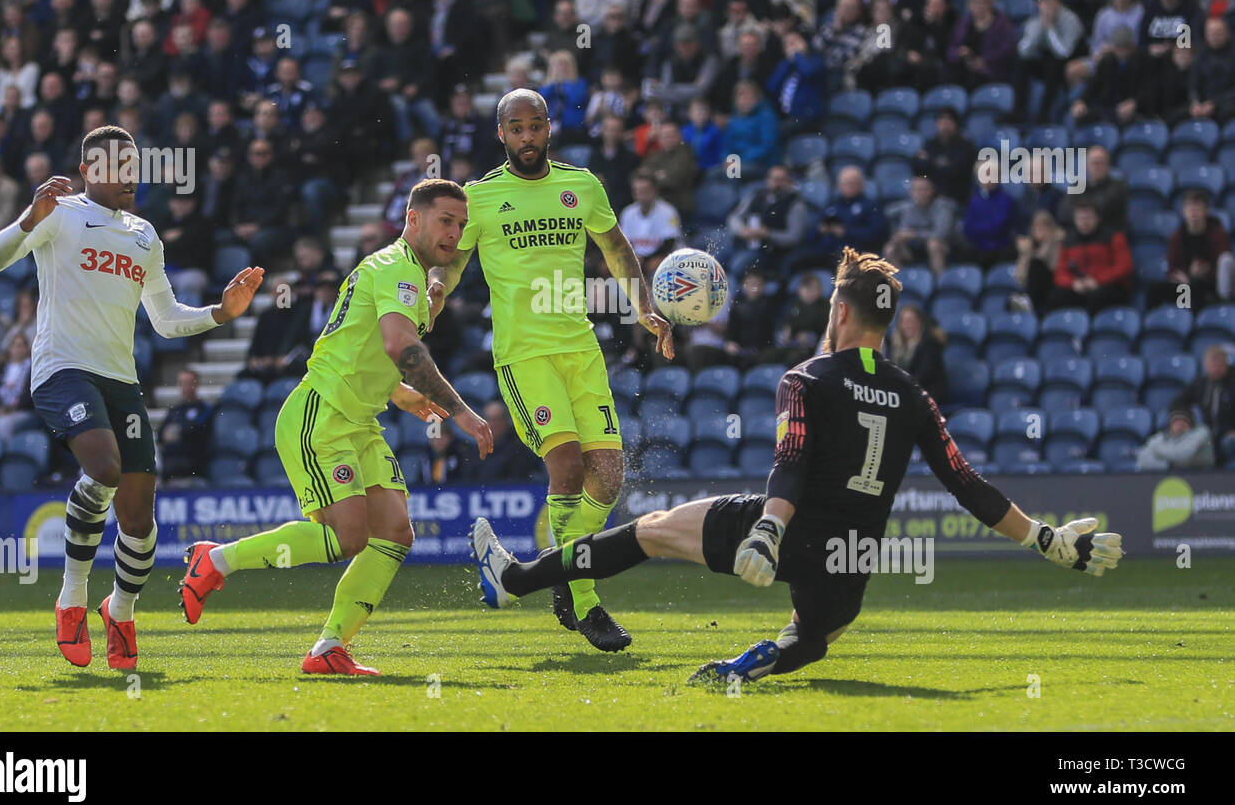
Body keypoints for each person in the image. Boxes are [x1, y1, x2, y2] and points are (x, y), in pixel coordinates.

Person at [473, 247, 1123, 683]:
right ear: (889, 323)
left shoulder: (806, 378)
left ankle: (516, 579)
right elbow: (966, 484)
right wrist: (1046, 537)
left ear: (839, 312)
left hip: (789, 527)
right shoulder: (914, 395)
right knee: (818, 634)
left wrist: (769, 530)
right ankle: (750, 664)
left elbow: (791, 463)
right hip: (852, 556)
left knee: (649, 530)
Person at [0, 125, 264, 671]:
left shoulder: (144, 235)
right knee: (105, 469)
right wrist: (27, 219)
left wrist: (220, 313)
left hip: (119, 379)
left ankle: (122, 612)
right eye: (116, 165)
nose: (129, 174)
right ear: (88, 171)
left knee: (138, 518)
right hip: (62, 370)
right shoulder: (58, 213)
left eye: (134, 164)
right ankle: (71, 600)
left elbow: (164, 318)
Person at [179, 180, 493, 676]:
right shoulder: (396, 269)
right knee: (346, 538)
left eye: (460, 223)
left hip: (360, 420)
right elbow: (399, 348)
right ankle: (217, 561)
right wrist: (460, 410)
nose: (454, 233)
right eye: (444, 221)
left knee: (394, 532)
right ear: (413, 219)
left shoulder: (405, 274)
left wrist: (399, 392)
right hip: (321, 415)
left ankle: (329, 648)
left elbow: (361, 344)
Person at [429, 89, 674, 652]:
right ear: (502, 135)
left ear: (548, 129)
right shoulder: (481, 197)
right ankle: (583, 598)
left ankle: (560, 570)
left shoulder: (581, 185)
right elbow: (454, 259)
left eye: (535, 126)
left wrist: (644, 308)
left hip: (580, 350)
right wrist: (437, 290)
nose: (527, 137)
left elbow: (615, 245)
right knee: (565, 469)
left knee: (608, 477)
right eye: (516, 128)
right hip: (525, 355)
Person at [1150, 189, 1235, 309]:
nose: (1193, 213)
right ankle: (1158, 322)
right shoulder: (1177, 236)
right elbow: (1173, 268)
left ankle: (1191, 319)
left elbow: (1224, 268)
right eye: (1190, 208)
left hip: (1209, 285)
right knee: (1155, 289)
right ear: (1184, 211)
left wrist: (1199, 274)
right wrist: (1188, 275)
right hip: (1185, 283)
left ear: (1206, 211)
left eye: (1198, 209)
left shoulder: (1217, 233)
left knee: (1196, 289)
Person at [1048, 199, 1134, 314]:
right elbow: (1060, 273)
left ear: (1097, 218)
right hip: (1080, 286)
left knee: (1097, 297)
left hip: (1109, 285)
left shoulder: (1114, 237)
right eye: (1080, 218)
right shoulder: (1068, 242)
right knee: (1056, 297)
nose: (1084, 222)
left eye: (1088, 217)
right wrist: (1073, 283)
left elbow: (1125, 267)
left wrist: (1098, 280)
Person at [1176, 345, 1235, 464]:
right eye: (1212, 366)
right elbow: (1179, 402)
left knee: (1228, 443)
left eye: (1219, 366)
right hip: (1208, 434)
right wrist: (1181, 419)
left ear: (1226, 365)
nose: (1216, 370)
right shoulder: (1201, 384)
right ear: (1206, 366)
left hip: (1229, 432)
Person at [886, 303, 947, 404]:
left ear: (920, 323)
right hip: (904, 391)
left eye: (912, 321)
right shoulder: (894, 344)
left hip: (927, 393)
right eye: (904, 321)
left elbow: (923, 376)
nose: (908, 325)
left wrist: (898, 386)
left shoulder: (929, 344)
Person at [158, 369, 211, 482]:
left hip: (193, 468)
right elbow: (161, 434)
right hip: (170, 468)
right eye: (182, 382)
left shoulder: (205, 409)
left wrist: (179, 431)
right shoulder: (174, 410)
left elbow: (198, 432)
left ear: (196, 384)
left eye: (189, 382)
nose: (185, 386)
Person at [1136, 402, 1216, 471]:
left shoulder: (1202, 432)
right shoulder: (1163, 437)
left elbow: (1182, 455)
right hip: (1173, 476)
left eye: (1184, 421)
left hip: (1201, 475)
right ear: (1170, 425)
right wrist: (1166, 464)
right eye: (1176, 421)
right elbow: (1142, 459)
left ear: (1191, 424)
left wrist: (1156, 451)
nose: (1180, 425)